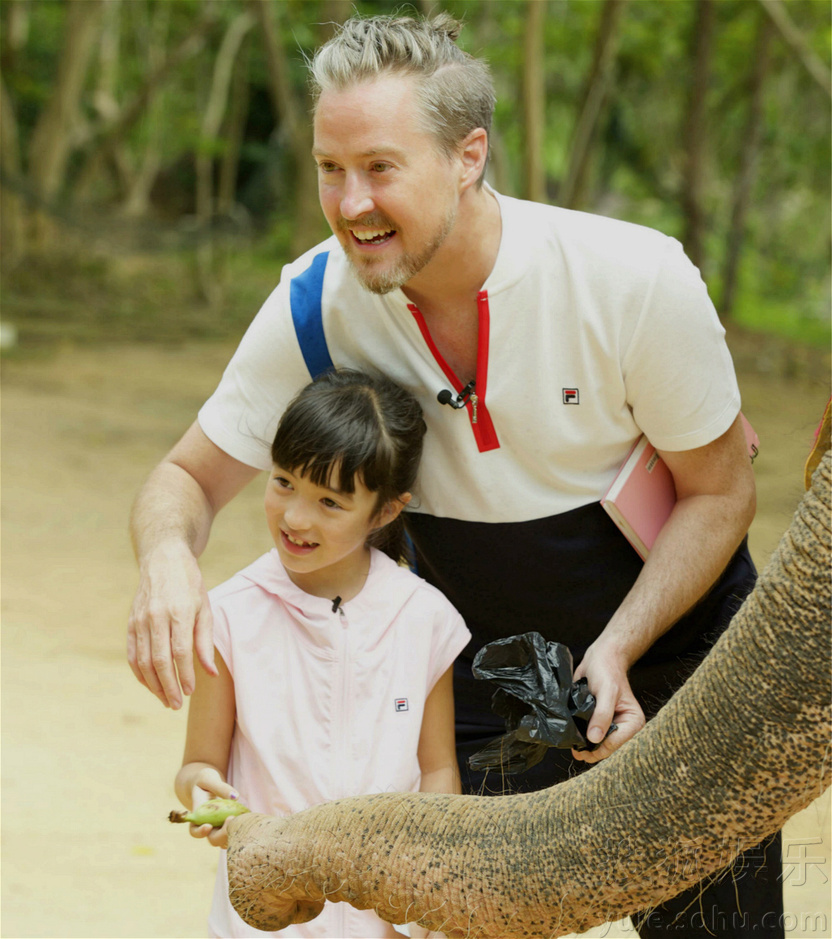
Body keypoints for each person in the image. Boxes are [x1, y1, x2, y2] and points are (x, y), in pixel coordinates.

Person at [131, 13, 778, 937]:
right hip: (474, 668)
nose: (350, 202)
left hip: (672, 643)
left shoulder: (633, 280)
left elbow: (723, 492)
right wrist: (164, 561)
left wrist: (622, 646)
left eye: (381, 168)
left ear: (468, 155)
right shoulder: (316, 301)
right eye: (329, 168)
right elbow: (183, 480)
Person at [172, 368, 470, 938]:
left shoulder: (425, 618)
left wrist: (434, 900)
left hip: (389, 923)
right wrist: (203, 791)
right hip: (265, 924)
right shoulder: (228, 615)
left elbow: (436, 770)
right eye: (284, 482)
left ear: (384, 511)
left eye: (330, 502)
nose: (296, 517)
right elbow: (196, 764)